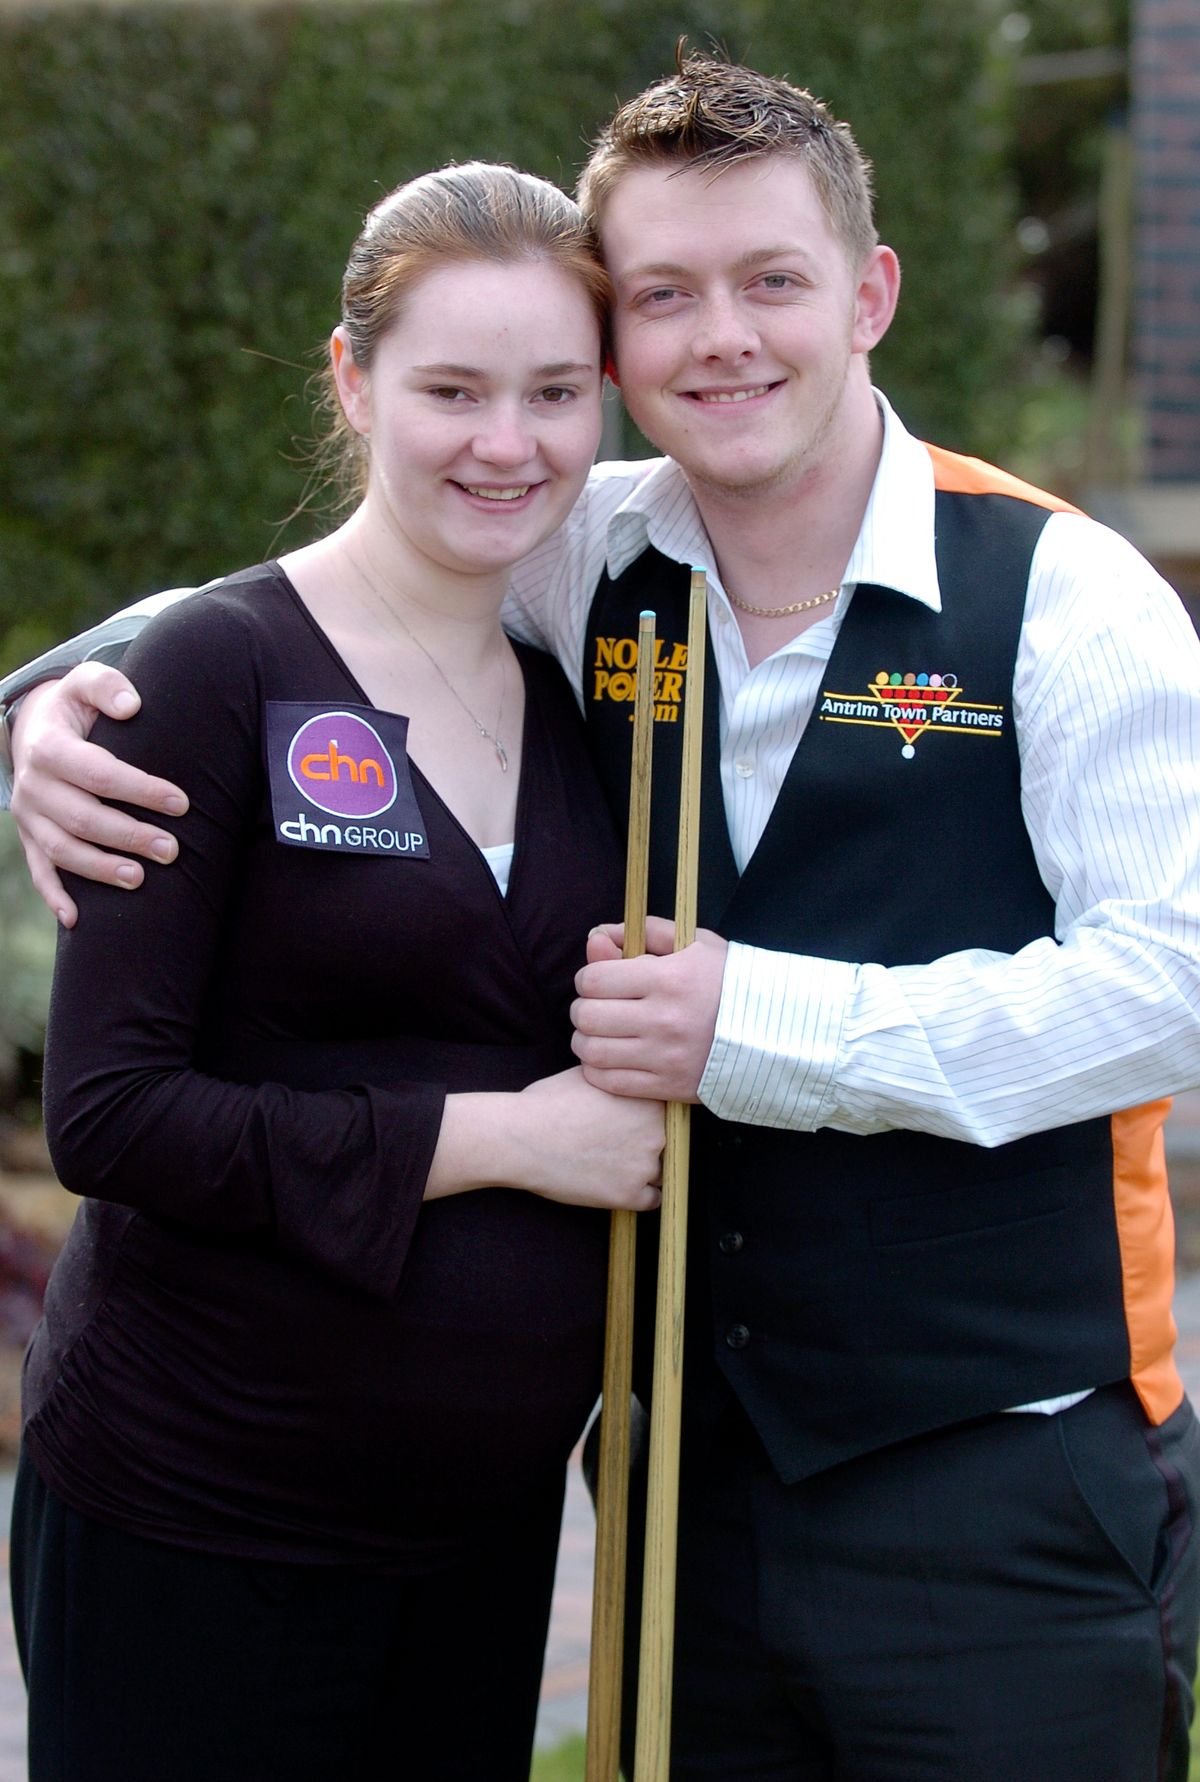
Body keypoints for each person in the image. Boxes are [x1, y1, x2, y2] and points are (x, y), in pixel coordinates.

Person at [6, 49, 1200, 1780]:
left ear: (870, 294)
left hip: (999, 1479)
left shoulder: (1065, 595)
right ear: (618, 339)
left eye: (772, 280)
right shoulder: (587, 551)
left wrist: (757, 1025)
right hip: (675, 1481)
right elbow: (304, 606)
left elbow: (1173, 982)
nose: (723, 338)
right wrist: (52, 709)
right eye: (663, 295)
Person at [3, 160, 666, 1782]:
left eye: (554, 392)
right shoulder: (216, 670)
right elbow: (110, 1117)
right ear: (353, 381)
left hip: (478, 1548)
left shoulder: (579, 689)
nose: (508, 442)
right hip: (199, 1517)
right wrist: (510, 1137)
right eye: (452, 389)